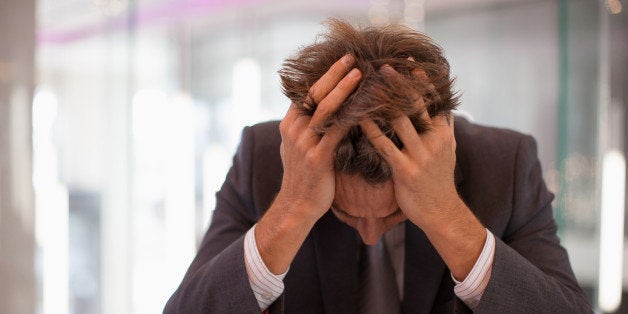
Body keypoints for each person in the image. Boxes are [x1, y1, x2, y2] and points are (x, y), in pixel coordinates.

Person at [164, 19, 592, 313]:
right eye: (346, 212)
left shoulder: (506, 165)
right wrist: (293, 208)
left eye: (392, 212)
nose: (369, 234)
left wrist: (445, 214)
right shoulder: (264, 158)